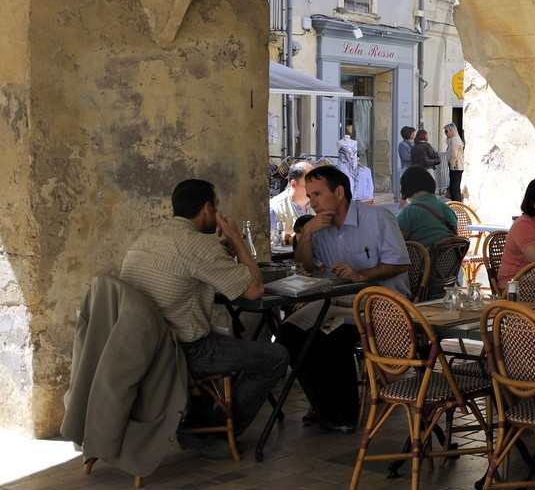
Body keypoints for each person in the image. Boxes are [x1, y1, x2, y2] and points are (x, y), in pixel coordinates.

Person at [119, 179, 288, 437]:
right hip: (183, 350)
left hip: (143, 345)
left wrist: (220, 254)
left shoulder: (150, 236)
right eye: (218, 205)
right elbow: (255, 290)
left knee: (224, 338)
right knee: (276, 357)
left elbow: (191, 266)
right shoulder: (198, 244)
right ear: (208, 208)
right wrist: (235, 239)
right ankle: (217, 432)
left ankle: (199, 421)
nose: (219, 212)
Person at [289, 165, 409, 432]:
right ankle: (322, 404)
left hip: (382, 304)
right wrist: (306, 234)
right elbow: (305, 269)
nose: (313, 202)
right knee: (290, 332)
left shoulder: (376, 218)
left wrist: (359, 275)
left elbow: (399, 264)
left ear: (340, 192)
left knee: (330, 336)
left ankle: (343, 414)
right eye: (310, 196)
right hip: (338, 302)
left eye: (318, 194)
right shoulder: (318, 227)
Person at [394, 166, 458, 246]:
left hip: (425, 257)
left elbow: (395, 242)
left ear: (405, 189)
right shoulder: (448, 209)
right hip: (451, 258)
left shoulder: (409, 211)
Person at [268, 160, 313, 243]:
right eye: (309, 184)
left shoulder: (320, 204)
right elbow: (269, 244)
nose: (313, 189)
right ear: (294, 184)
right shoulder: (274, 209)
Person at [443, 123, 465, 202]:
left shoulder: (454, 139)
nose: (445, 133)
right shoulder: (453, 139)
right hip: (456, 166)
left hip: (456, 166)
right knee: (454, 187)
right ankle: (455, 205)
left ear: (451, 131)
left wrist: (452, 165)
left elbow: (453, 154)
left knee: (454, 188)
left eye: (446, 131)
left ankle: (457, 206)